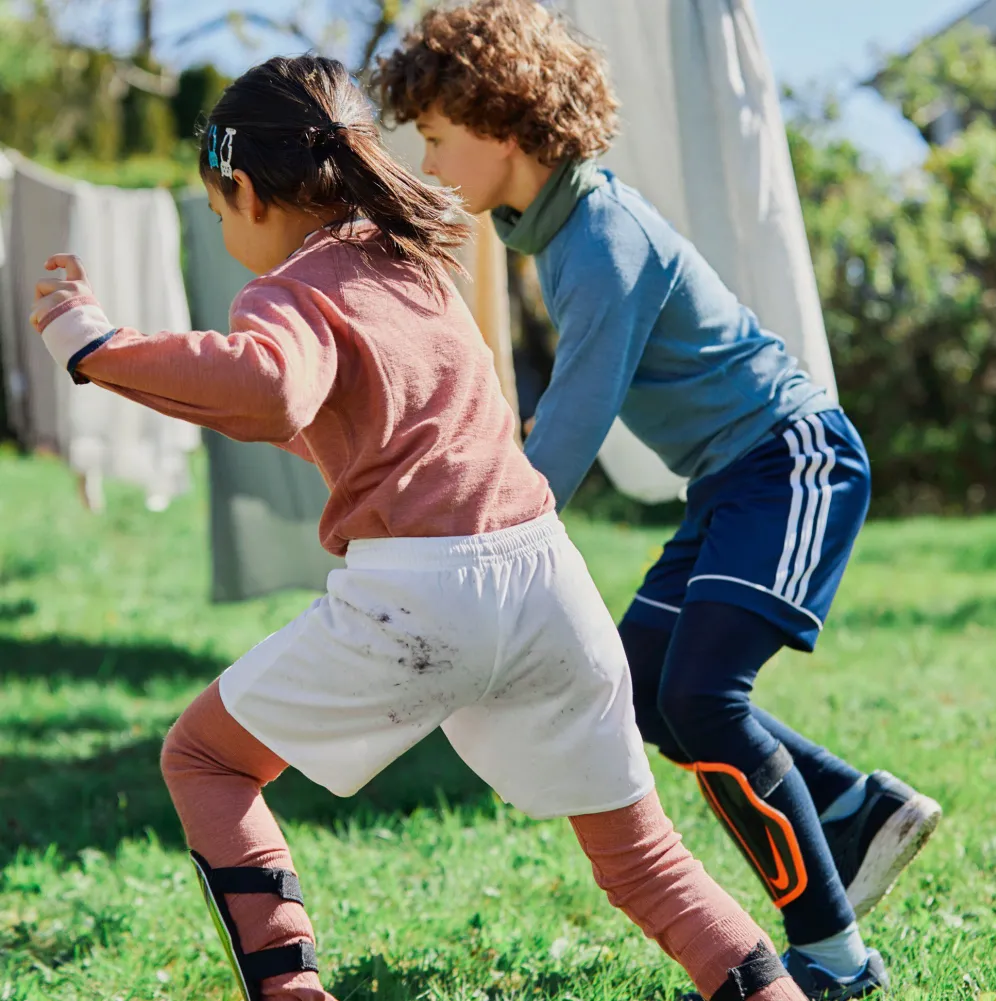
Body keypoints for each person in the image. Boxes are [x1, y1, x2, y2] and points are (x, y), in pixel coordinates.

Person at [31, 55, 807, 1001]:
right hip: (548, 581)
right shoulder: (413, 261)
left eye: (217, 204)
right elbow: (363, 432)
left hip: (423, 595)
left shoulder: (289, 290)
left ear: (244, 190)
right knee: (645, 862)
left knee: (204, 757)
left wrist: (100, 351)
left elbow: (270, 386)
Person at [376, 3, 942, 998]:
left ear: (501, 121)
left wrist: (472, 552)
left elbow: (568, 430)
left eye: (434, 136)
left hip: (792, 461)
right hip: (733, 479)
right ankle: (852, 809)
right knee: (644, 686)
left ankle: (834, 957)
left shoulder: (598, 240)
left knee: (701, 698)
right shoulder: (554, 232)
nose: (426, 160)